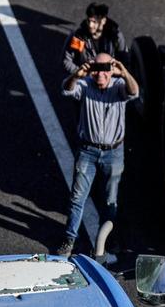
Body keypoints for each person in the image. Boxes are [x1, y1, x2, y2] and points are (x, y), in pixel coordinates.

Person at [58, 53, 139, 257]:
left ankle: (108, 240)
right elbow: (67, 89)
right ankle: (69, 239)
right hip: (88, 150)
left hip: (113, 152)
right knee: (77, 197)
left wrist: (124, 72)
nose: (100, 74)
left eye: (105, 68)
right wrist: (77, 74)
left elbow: (134, 92)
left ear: (112, 69)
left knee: (111, 200)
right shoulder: (84, 84)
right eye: (96, 68)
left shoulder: (119, 85)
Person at [62, 2, 127, 76]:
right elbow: (66, 61)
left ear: (103, 21)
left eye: (94, 22)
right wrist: (80, 73)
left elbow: (125, 60)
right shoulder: (80, 38)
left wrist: (115, 73)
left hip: (110, 78)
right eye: (89, 21)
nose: (90, 25)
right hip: (87, 79)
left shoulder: (115, 36)